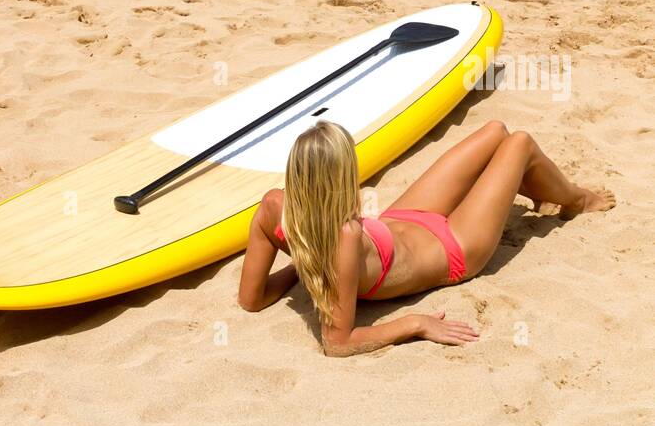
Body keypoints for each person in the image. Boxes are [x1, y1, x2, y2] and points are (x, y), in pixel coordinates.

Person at [237, 120, 614, 356]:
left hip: (403, 219)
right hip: (453, 246)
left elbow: (252, 299)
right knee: (520, 143)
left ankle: (533, 186)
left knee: (495, 131)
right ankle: (578, 198)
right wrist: (415, 325)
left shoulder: (273, 207)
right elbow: (337, 343)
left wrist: (300, 267)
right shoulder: (345, 237)